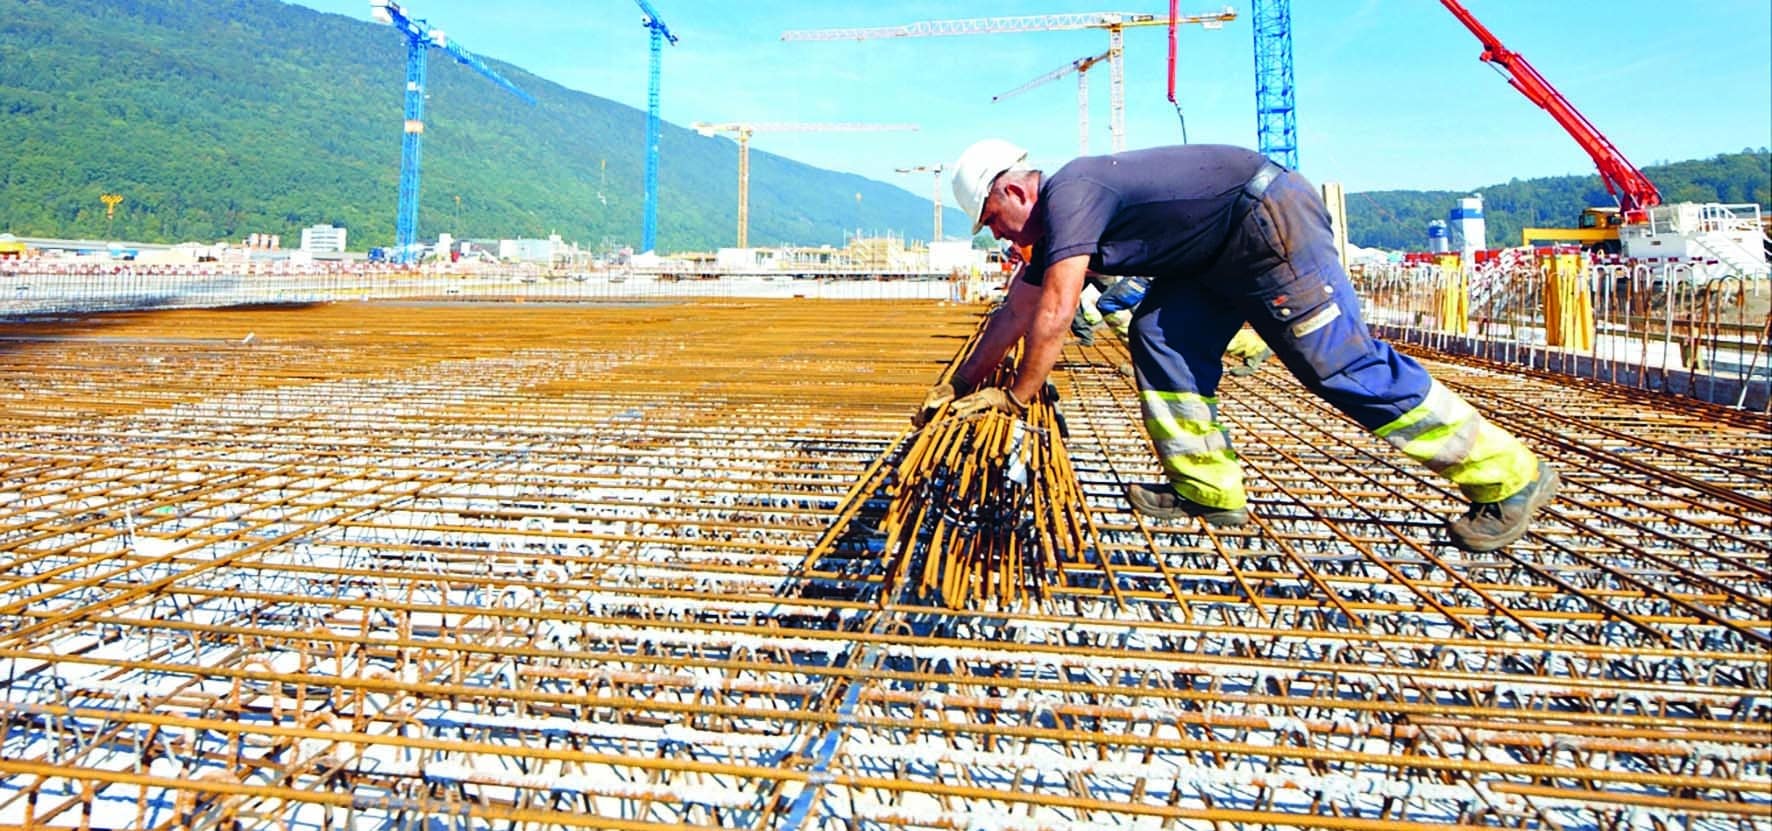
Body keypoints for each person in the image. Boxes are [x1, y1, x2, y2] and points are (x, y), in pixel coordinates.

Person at [914, 139, 1557, 553]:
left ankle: (1508, 476)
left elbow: (1055, 311)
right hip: (1214, 252)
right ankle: (1208, 487)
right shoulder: (1059, 218)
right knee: (1161, 336)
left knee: (1339, 364)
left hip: (1266, 220)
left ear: (1015, 191)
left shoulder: (1071, 192)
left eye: (993, 221)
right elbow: (1018, 310)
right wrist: (962, 383)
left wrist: (1018, 396)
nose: (999, 236)